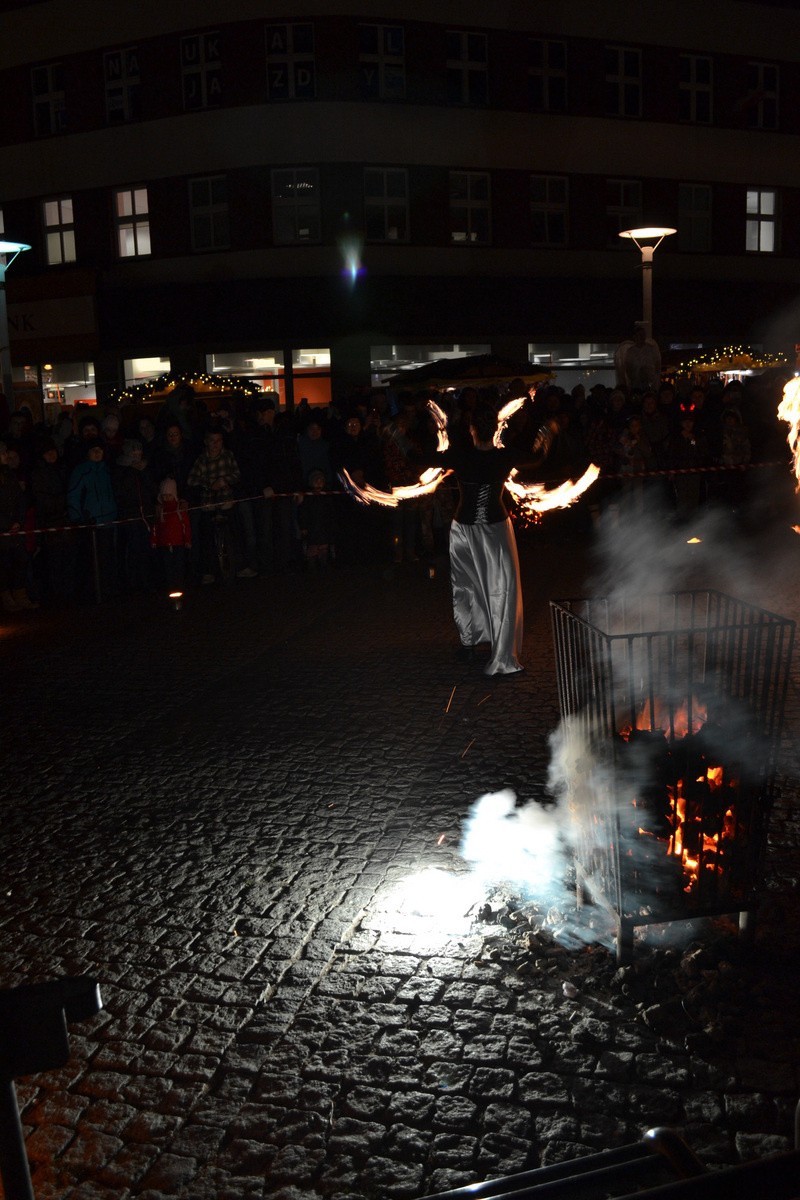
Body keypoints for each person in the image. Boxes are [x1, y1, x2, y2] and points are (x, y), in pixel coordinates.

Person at [424, 404, 548, 676]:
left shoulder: (460, 456)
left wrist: (398, 437)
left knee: (465, 587)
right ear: (494, 431)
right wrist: (546, 434)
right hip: (494, 531)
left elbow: (422, 460)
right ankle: (500, 655)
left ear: (472, 431)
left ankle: (470, 643)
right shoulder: (504, 457)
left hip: (463, 530)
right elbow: (536, 458)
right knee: (501, 591)